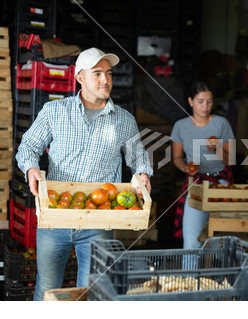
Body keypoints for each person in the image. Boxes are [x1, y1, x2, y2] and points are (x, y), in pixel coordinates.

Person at [15, 48, 153, 300]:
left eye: (108, 73)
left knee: (90, 293)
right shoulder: (54, 111)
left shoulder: (124, 120)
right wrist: (31, 167)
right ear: (79, 77)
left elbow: (139, 157)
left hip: (98, 222)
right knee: (47, 289)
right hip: (55, 216)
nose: (105, 80)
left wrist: (142, 173)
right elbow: (29, 146)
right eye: (97, 73)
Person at [171, 82, 235, 249]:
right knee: (191, 241)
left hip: (221, 182)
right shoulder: (180, 126)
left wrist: (217, 148)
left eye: (209, 101)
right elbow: (177, 157)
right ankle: (190, 275)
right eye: (200, 101)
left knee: (220, 241)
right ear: (190, 101)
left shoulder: (222, 123)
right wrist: (185, 168)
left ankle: (217, 275)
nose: (205, 106)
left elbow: (231, 160)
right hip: (196, 183)